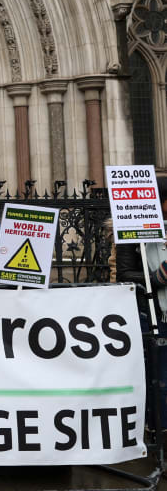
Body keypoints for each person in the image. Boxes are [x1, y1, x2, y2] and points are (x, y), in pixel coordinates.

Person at [116, 175, 167, 432]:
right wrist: (160, 277)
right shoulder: (132, 234)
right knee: (159, 377)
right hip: (154, 313)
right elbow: (125, 275)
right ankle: (159, 430)